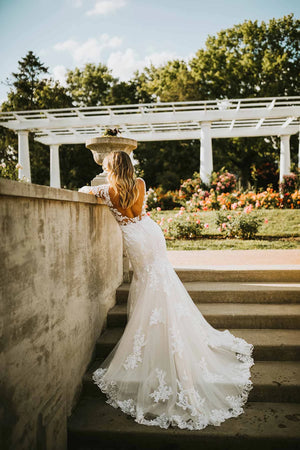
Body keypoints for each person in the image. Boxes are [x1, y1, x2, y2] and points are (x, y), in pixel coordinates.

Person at [78, 150, 254, 431]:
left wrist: (91, 188)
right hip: (149, 231)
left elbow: (83, 189)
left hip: (133, 237)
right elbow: (140, 209)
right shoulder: (141, 184)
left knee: (147, 280)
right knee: (160, 278)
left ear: (111, 168)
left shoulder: (106, 191)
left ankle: (153, 330)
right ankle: (168, 324)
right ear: (130, 165)